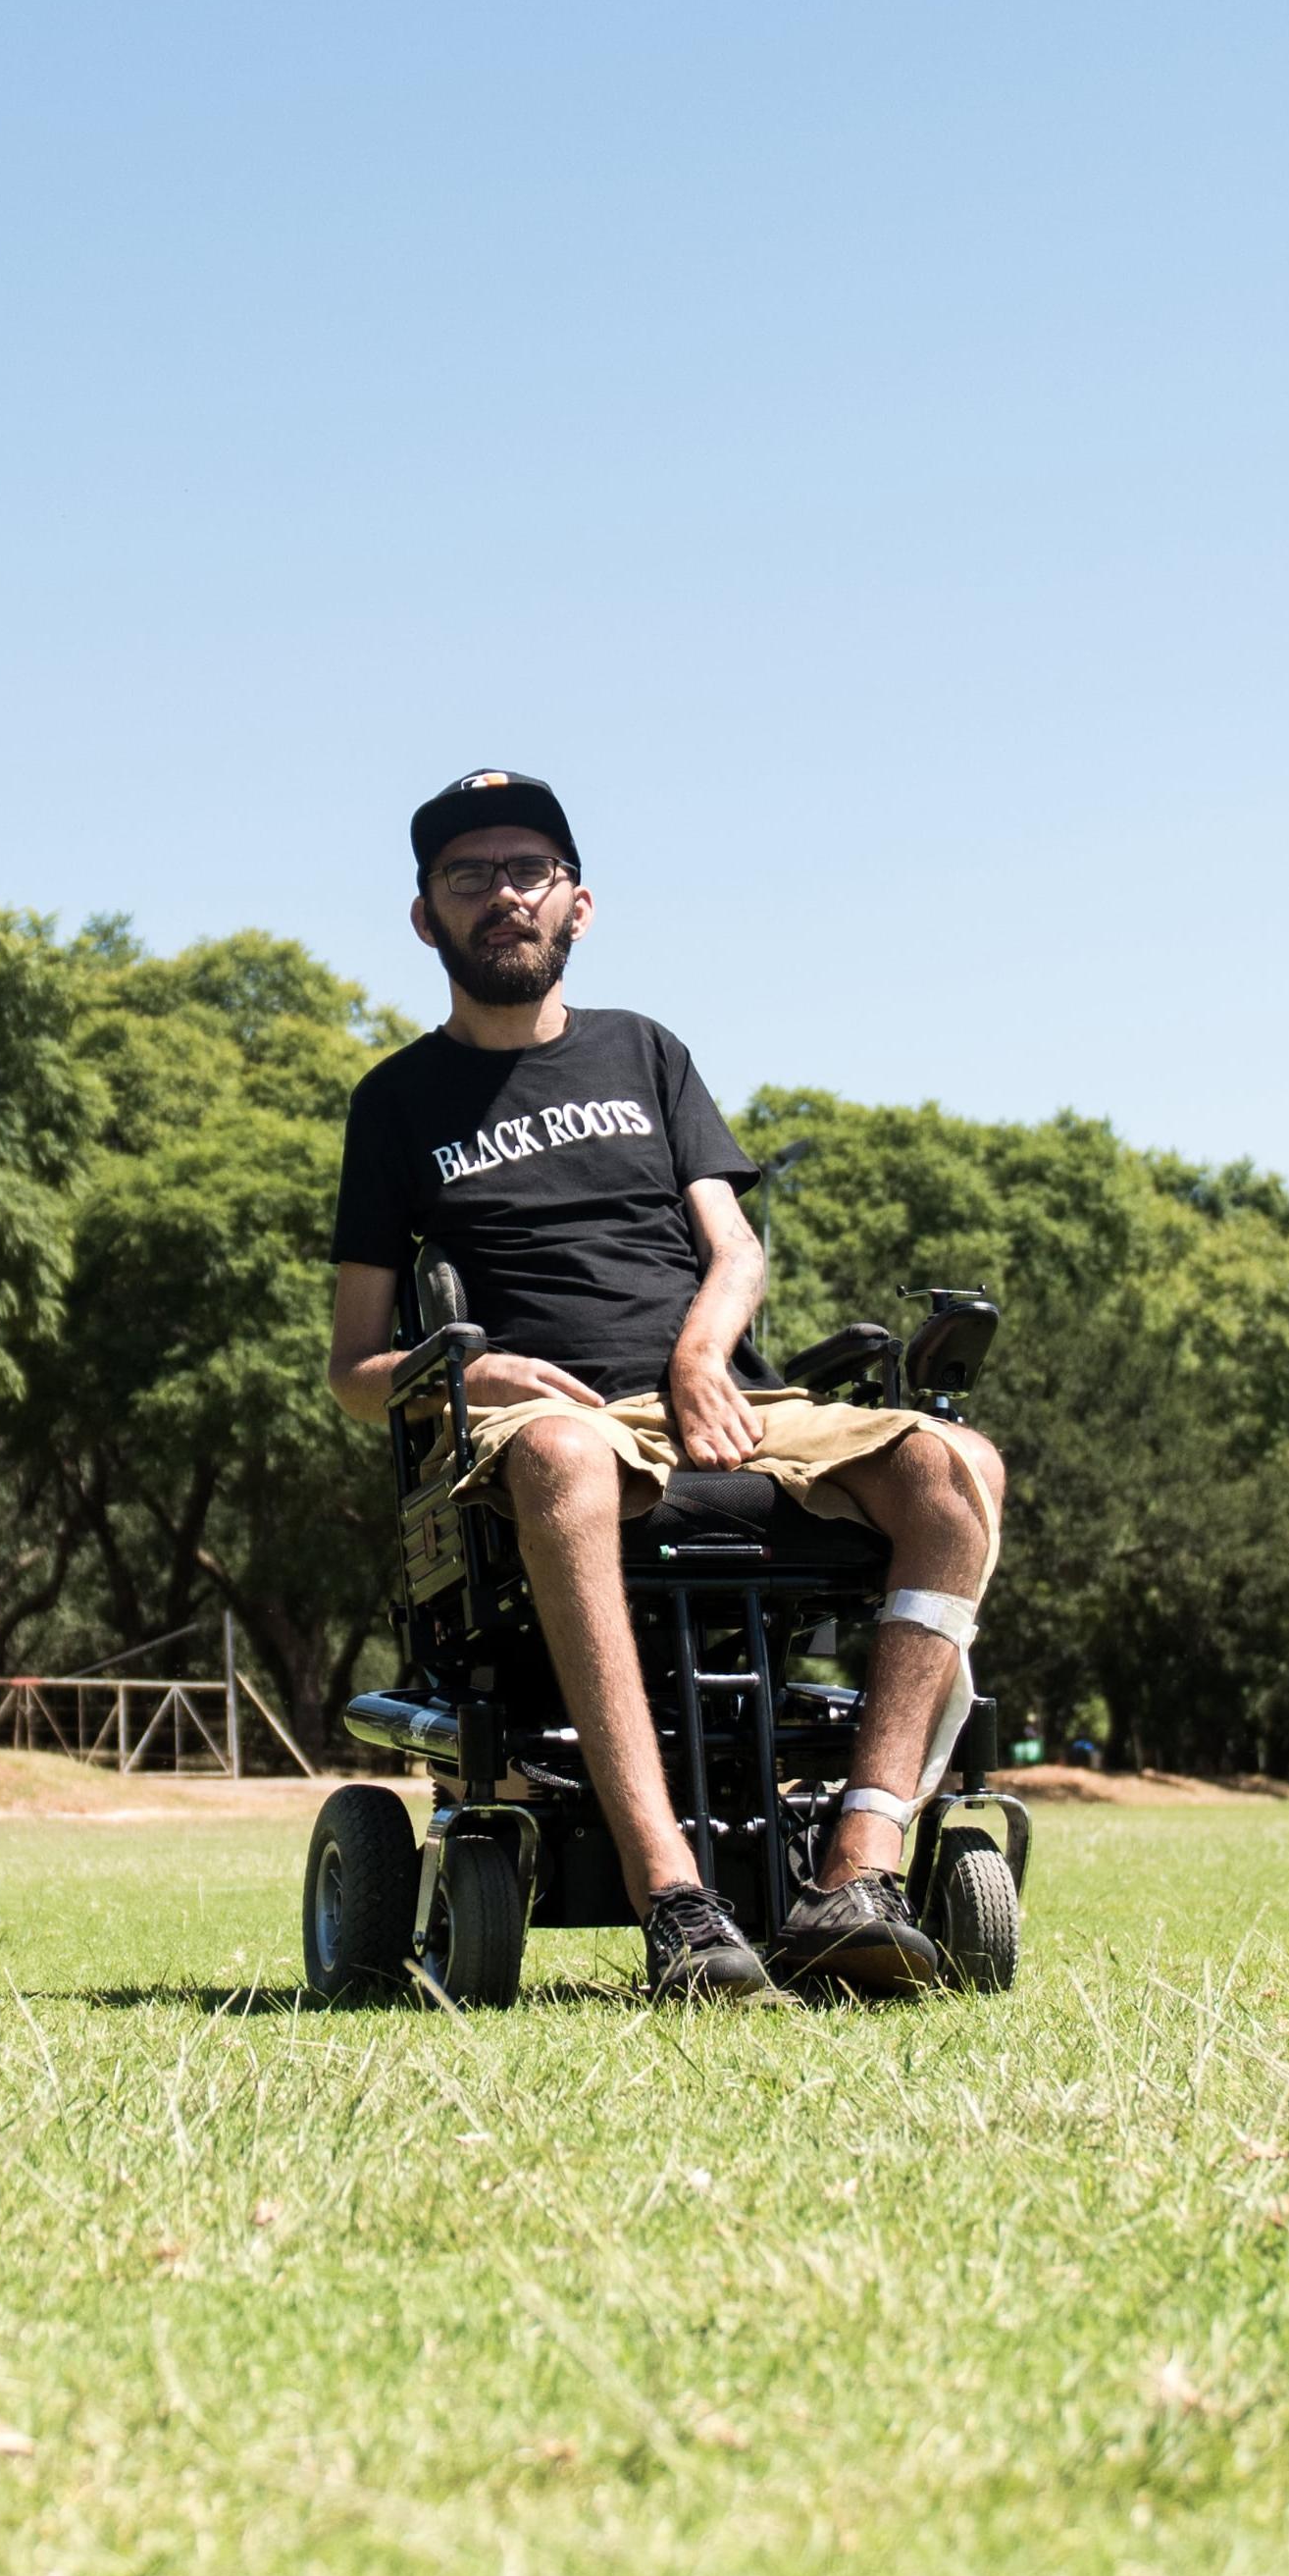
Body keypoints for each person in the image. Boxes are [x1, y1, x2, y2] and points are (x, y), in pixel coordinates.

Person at [327, 768, 1004, 2006]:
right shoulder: (395, 1103)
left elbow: (735, 1247)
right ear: (425, 917)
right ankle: (676, 1898)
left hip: (719, 1401)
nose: (502, 896)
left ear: (577, 904)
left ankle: (858, 1866)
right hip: (554, 1421)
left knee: (957, 1468)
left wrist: (699, 1357)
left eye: (527, 871)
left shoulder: (647, 1051)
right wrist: (465, 1368)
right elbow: (356, 1371)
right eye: (468, 876)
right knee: (568, 1453)